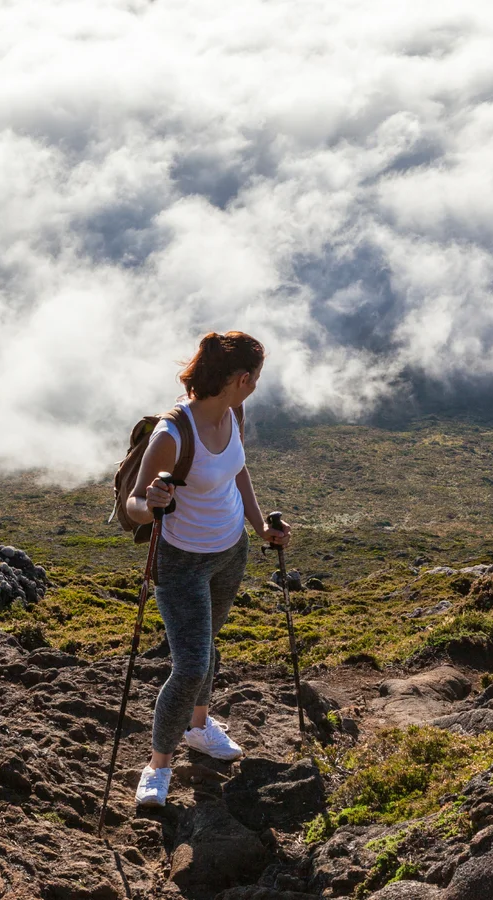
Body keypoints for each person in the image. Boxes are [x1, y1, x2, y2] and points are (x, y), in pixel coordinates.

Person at [121, 331, 291, 808]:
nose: (256, 384)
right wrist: (149, 502)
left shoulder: (232, 413)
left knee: (208, 646)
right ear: (241, 379)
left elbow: (238, 471)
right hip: (181, 561)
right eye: (255, 377)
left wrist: (259, 527)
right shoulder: (173, 432)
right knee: (192, 663)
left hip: (229, 551)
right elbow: (135, 504)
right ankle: (157, 765)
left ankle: (199, 727)